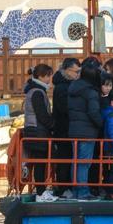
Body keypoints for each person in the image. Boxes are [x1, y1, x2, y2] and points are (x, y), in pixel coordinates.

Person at [65, 60, 104, 200]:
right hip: (88, 131)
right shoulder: (91, 92)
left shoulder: (72, 88)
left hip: (74, 130)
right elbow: (93, 112)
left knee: (75, 161)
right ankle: (83, 192)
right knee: (84, 163)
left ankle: (76, 191)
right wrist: (101, 124)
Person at [21, 64, 57, 201]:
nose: (49, 79)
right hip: (37, 131)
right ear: (41, 76)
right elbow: (42, 115)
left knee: (39, 162)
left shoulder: (33, 90)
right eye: (48, 76)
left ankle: (41, 191)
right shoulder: (37, 92)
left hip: (33, 131)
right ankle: (41, 193)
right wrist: (52, 125)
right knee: (40, 162)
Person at [51, 57, 80, 190]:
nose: (77, 74)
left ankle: (65, 186)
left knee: (67, 158)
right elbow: (63, 108)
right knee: (64, 159)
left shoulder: (67, 85)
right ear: (67, 71)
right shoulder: (62, 87)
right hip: (63, 128)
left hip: (68, 127)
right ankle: (63, 187)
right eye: (75, 71)